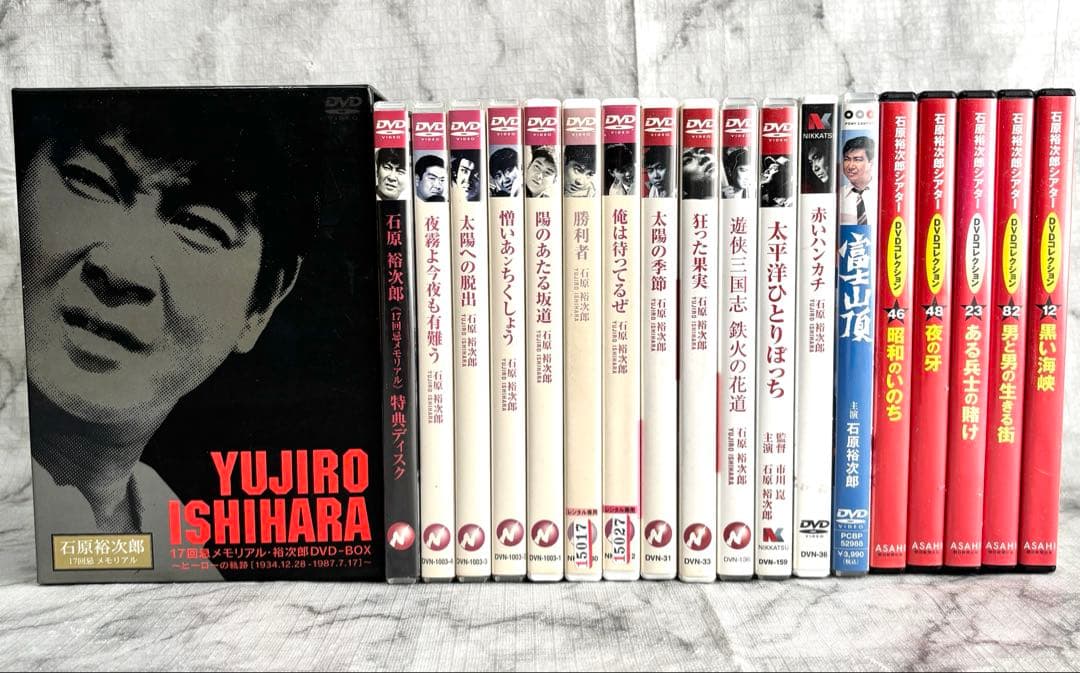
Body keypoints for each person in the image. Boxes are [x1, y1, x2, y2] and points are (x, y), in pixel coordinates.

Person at [16, 91, 317, 576]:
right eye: (90, 180)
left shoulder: (179, 547)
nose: (119, 270)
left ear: (261, 307)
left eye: (200, 226)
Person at [839, 135, 876, 224]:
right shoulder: (838, 196)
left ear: (871, 163)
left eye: (857, 160)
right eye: (847, 159)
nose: (850, 166)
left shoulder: (881, 193)